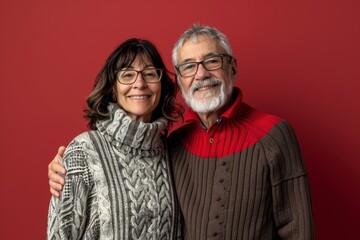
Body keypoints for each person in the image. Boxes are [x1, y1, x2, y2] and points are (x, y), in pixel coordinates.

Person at [48, 24, 314, 239]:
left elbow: (297, 230)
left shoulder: (271, 135)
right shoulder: (170, 144)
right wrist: (67, 164)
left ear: (232, 67)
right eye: (188, 66)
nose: (200, 74)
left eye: (211, 61)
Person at [46, 38, 183, 240]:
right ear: (113, 88)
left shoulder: (174, 153)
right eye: (127, 75)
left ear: (161, 85)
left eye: (149, 74)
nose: (140, 83)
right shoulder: (83, 152)